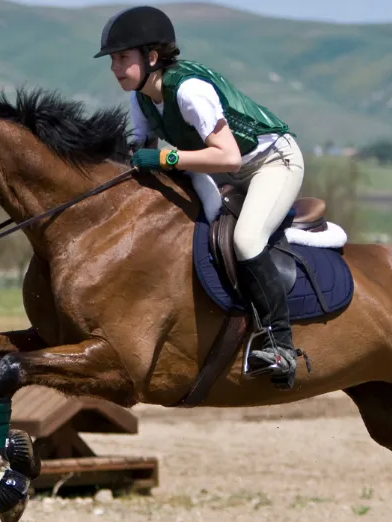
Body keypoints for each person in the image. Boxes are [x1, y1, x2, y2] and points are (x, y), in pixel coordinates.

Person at [94, 5, 307, 389]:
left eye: (122, 57)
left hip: (271, 162)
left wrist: (166, 157)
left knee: (246, 239)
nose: (114, 68)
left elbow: (228, 155)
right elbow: (140, 150)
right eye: (113, 59)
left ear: (151, 57)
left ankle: (280, 346)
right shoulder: (140, 99)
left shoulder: (190, 91)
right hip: (220, 167)